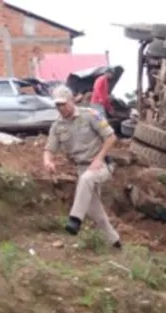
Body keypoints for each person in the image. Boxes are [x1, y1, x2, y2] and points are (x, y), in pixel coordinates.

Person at [43, 85, 122, 249]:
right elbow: (49, 149)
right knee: (95, 211)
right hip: (81, 169)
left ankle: (74, 219)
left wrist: (98, 159)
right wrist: (48, 161)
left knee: (87, 178)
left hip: (100, 165)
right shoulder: (57, 127)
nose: (60, 108)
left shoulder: (90, 115)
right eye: (57, 105)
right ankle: (115, 243)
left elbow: (111, 137)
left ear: (72, 101)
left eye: (63, 104)